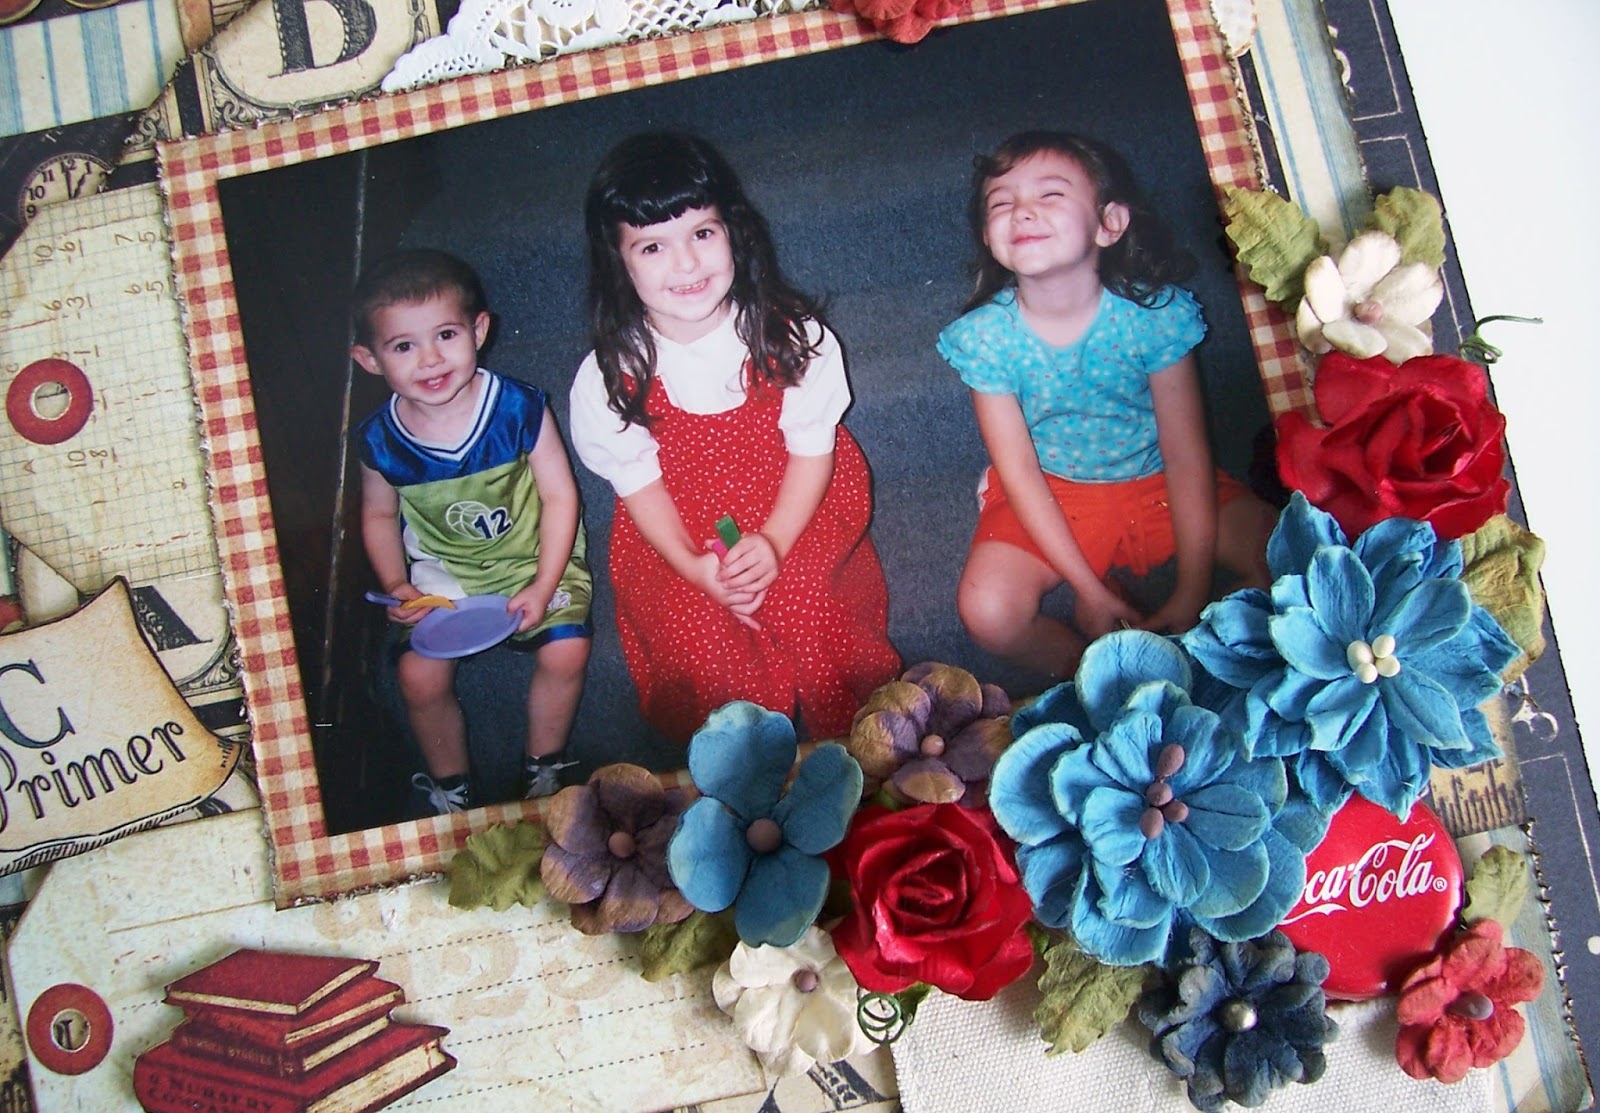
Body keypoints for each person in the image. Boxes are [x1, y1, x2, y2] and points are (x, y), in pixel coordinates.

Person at [569, 131, 900, 742]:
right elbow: (639, 486)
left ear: (733, 232)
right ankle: (740, 756)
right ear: (618, 261)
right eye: (652, 247)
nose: (686, 264)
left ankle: (848, 731)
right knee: (697, 635)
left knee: (806, 602)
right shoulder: (611, 373)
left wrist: (773, 540)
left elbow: (811, 451)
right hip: (679, 522)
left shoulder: (790, 335)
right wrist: (695, 569)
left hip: (792, 497)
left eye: (702, 233)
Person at [938, 130, 1275, 680]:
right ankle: (1100, 678)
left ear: (1109, 223)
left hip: (1159, 478)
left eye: (1050, 195)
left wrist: (1192, 591)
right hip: (1057, 488)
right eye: (1001, 203)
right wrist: (1088, 589)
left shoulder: (1154, 317)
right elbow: (1019, 472)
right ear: (987, 235)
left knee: (1285, 553)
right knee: (988, 612)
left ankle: (1211, 665)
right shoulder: (986, 338)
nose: (1022, 211)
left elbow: (1185, 452)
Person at [352, 249, 592, 814]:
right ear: (369, 359)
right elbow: (379, 515)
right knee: (417, 677)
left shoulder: (518, 408)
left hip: (536, 558)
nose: (430, 359)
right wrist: (396, 583)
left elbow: (560, 496)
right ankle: (452, 783)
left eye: (446, 335)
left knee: (567, 653)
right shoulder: (379, 441)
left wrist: (543, 584)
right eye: (403, 346)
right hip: (447, 572)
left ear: (478, 331)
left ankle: (544, 765)